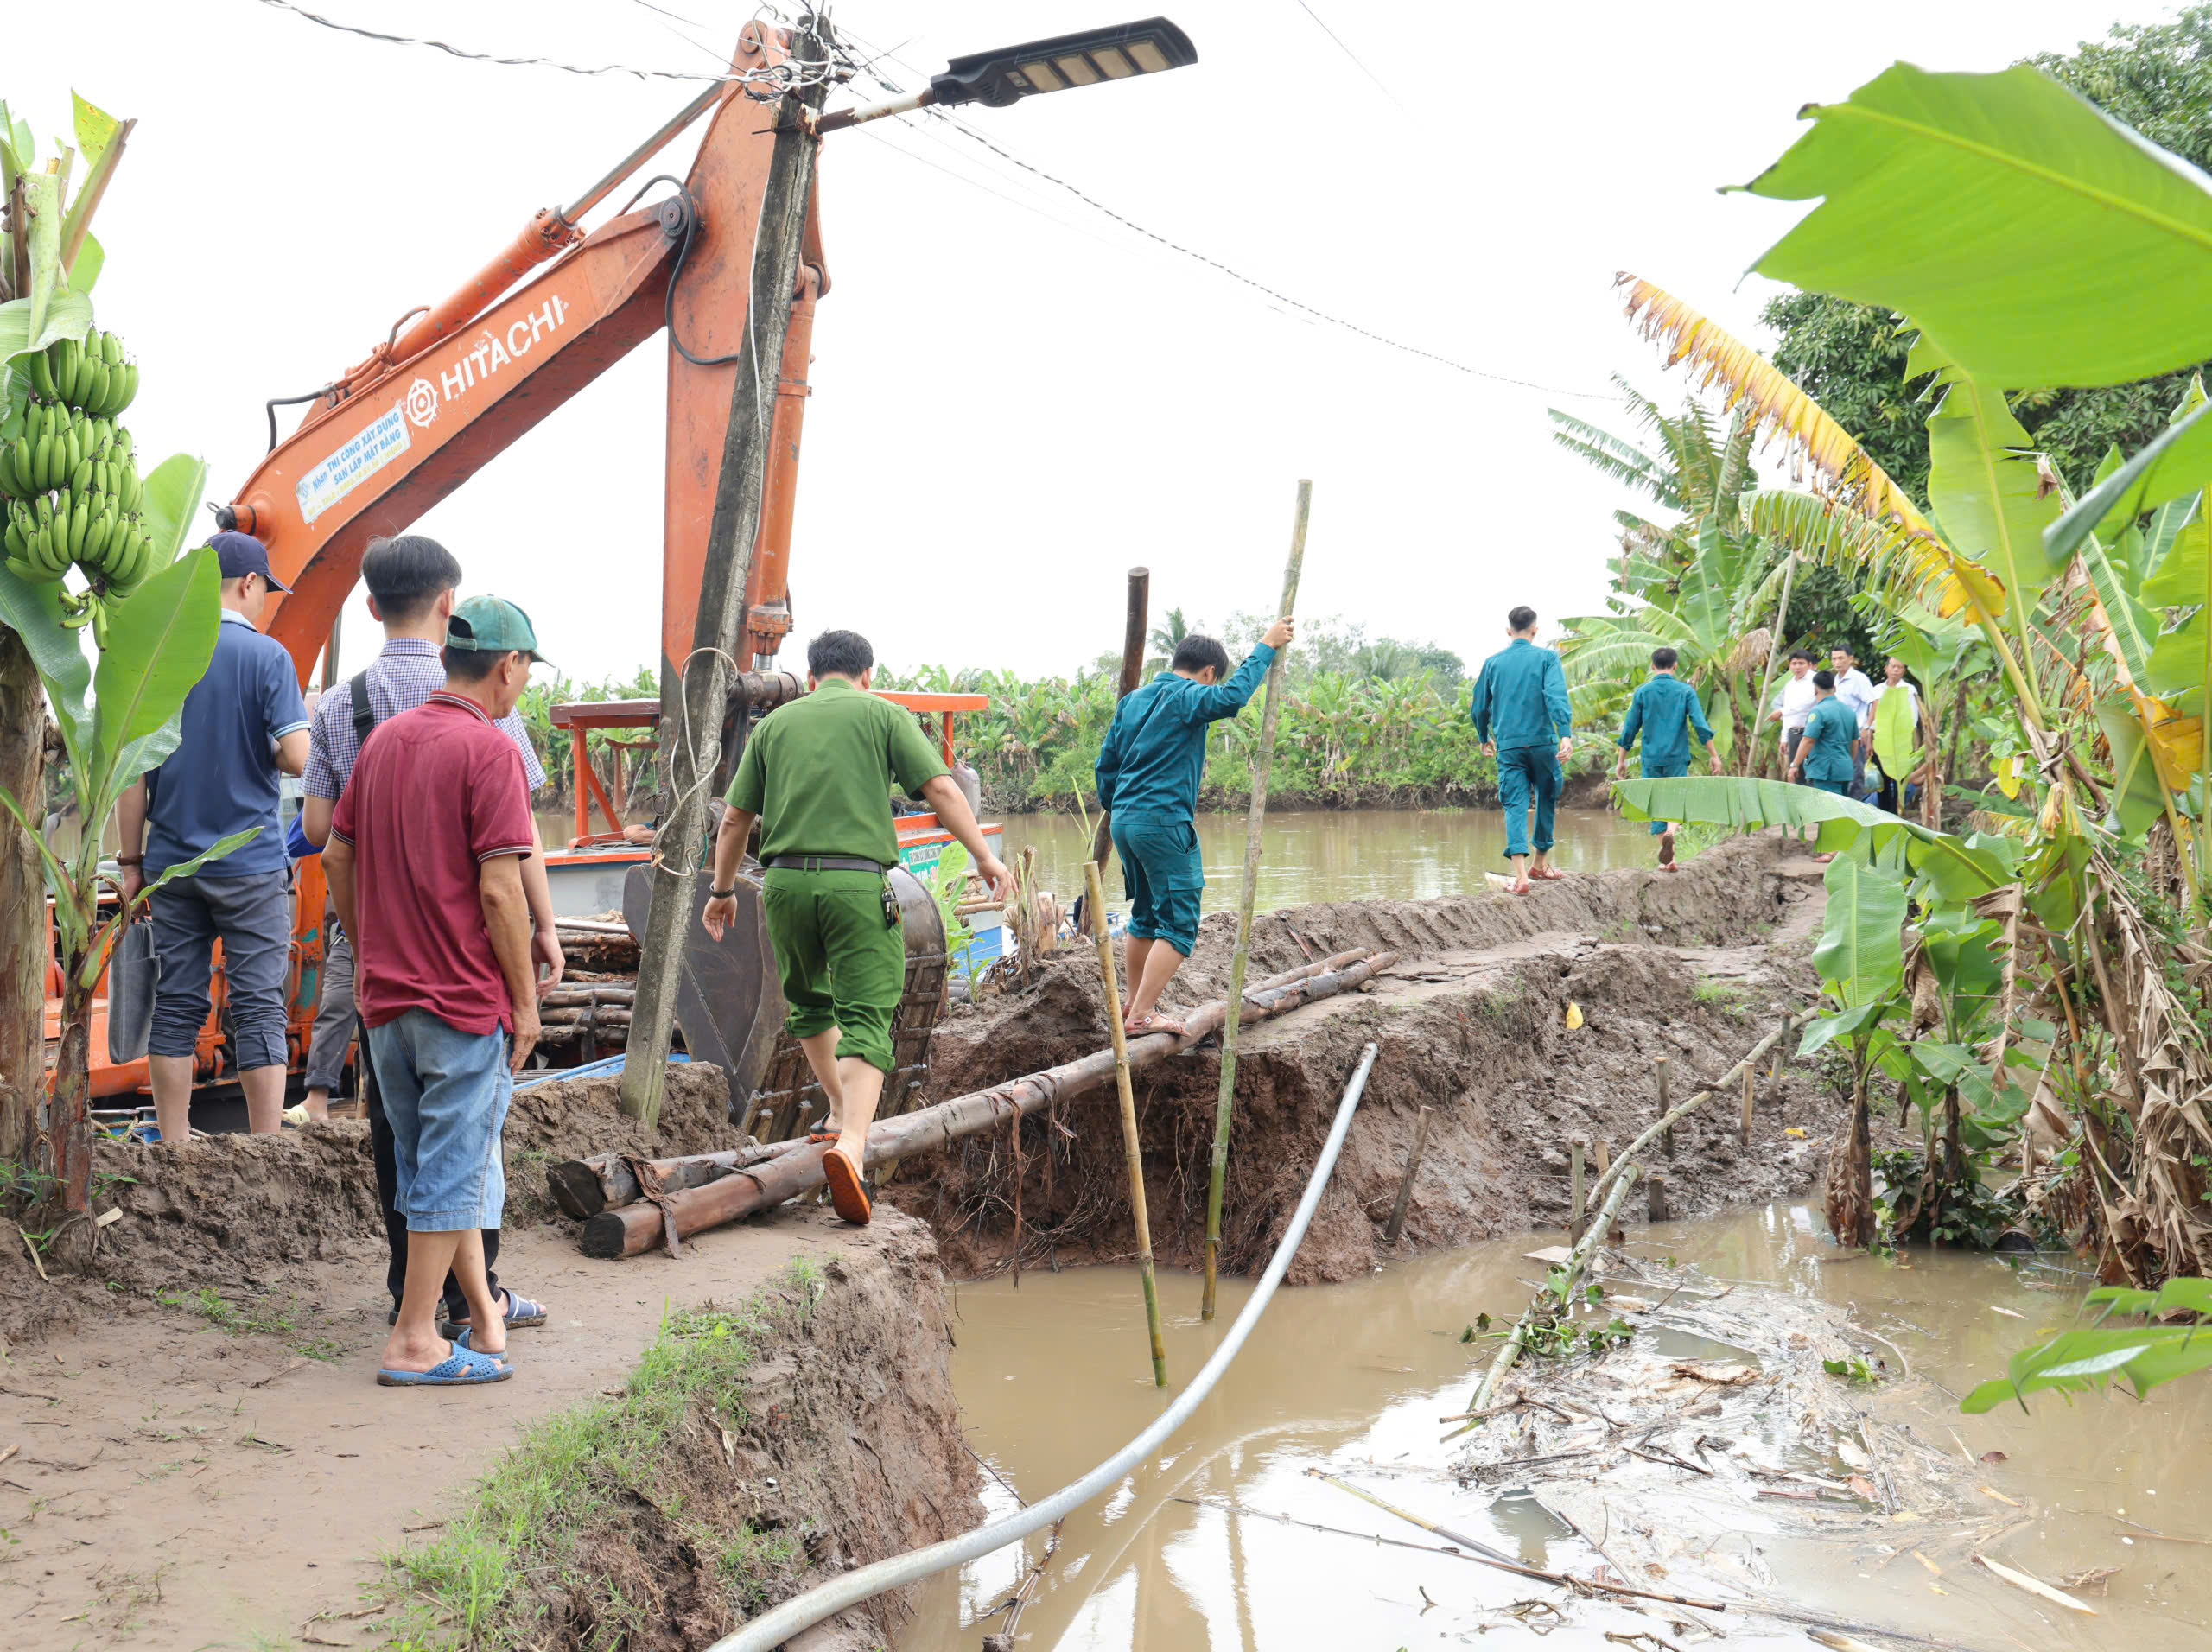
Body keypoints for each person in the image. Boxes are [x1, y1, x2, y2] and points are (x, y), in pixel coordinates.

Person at [301, 535, 558, 1340]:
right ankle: (417, 1337)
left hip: (383, 992)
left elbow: (331, 847)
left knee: (414, 1158)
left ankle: (481, 1316)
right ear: (508, 667)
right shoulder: (491, 748)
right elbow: (500, 883)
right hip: (458, 992)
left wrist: (369, 936)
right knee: (459, 1164)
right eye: (525, 670)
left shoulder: (369, 733)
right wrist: (525, 999)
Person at [702, 629, 1014, 1226]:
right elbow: (942, 789)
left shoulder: (775, 726)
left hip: (785, 884)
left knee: (810, 1004)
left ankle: (840, 1111)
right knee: (868, 1015)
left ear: (811, 675)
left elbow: (736, 816)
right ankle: (851, 1145)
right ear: (866, 674)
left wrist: (721, 892)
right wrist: (984, 856)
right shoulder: (882, 715)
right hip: (854, 882)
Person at [115, 533, 310, 1142]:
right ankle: (266, 1148)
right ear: (248, 584)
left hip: (173, 866)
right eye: (264, 592)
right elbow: (300, 758)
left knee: (176, 1002)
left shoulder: (161, 656)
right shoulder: (267, 657)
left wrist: (130, 863)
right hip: (249, 865)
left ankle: (173, 1145)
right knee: (257, 1007)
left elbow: (132, 778)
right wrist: (262, 749)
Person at [1092, 618, 1296, 1036]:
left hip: (1125, 823)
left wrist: (1122, 809)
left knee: (1146, 916)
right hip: (1163, 821)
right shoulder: (1188, 696)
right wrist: (1266, 646)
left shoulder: (1132, 702)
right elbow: (1234, 698)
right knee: (1180, 923)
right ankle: (1144, 1015)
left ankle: (1135, 1004)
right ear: (1207, 673)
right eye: (1212, 680)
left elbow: (1105, 766)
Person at [1469, 606, 1575, 895]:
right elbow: (1555, 696)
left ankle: (1521, 879)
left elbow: (1479, 707)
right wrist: (1565, 733)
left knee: (1515, 805)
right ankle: (1540, 863)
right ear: (1535, 629)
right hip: (1543, 743)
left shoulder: (1493, 663)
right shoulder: (1547, 658)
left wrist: (1483, 736)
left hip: (1510, 748)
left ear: (1508, 631)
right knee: (1547, 796)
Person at [1613, 645, 1720, 872]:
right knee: (1676, 799)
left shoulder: (1643, 692)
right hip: (1677, 757)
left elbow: (1630, 729)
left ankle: (1669, 859)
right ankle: (1672, 832)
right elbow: (1700, 725)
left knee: (1656, 804)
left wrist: (1622, 759)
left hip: (1651, 758)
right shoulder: (1686, 692)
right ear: (1675, 666)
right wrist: (1714, 755)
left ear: (1653, 667)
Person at [1789, 672, 1859, 866]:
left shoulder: (1818, 712)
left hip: (1825, 768)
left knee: (1829, 810)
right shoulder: (1848, 711)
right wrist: (1847, 760)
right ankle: (1840, 848)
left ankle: (1832, 851)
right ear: (1834, 688)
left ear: (1815, 689)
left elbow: (1808, 739)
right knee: (1841, 809)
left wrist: (1795, 764)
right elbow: (1855, 742)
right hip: (1844, 766)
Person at [1865, 655, 1923, 816]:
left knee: (1899, 781)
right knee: (1882, 783)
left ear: (1904, 670)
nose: (1896, 670)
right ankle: (1884, 815)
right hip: (1881, 739)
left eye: (1900, 667)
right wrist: (1869, 740)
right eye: (1893, 666)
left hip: (1900, 740)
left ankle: (1897, 813)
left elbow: (1912, 718)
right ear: (1886, 669)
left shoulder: (1909, 690)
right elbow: (1872, 717)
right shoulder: (1877, 690)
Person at [1827, 646, 1878, 798]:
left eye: (1841, 658)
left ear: (1850, 659)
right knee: (1840, 773)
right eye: (1834, 658)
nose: (1837, 662)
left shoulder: (1859, 679)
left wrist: (1867, 727)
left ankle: (1856, 811)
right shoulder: (1835, 680)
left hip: (1856, 734)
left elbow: (1874, 701)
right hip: (1837, 735)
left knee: (1855, 773)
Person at [1766, 650, 1818, 777]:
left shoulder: (1815, 680)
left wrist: (1781, 711)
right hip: (1794, 734)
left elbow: (1808, 703)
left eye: (1801, 663)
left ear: (1809, 665)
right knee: (1798, 775)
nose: (1797, 667)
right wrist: (1784, 738)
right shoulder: (1790, 685)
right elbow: (1788, 713)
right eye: (1794, 663)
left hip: (1812, 733)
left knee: (1813, 774)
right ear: (1789, 666)